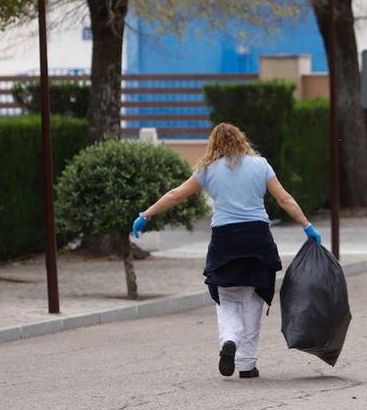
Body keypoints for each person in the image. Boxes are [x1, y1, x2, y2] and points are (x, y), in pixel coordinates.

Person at [132, 123, 321, 379]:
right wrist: (307, 226)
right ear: (241, 140)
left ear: (214, 144)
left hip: (225, 240)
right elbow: (284, 199)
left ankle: (229, 340)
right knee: (253, 299)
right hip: (257, 238)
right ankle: (247, 365)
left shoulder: (208, 170)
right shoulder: (261, 165)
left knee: (227, 297)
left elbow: (176, 195)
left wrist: (146, 214)